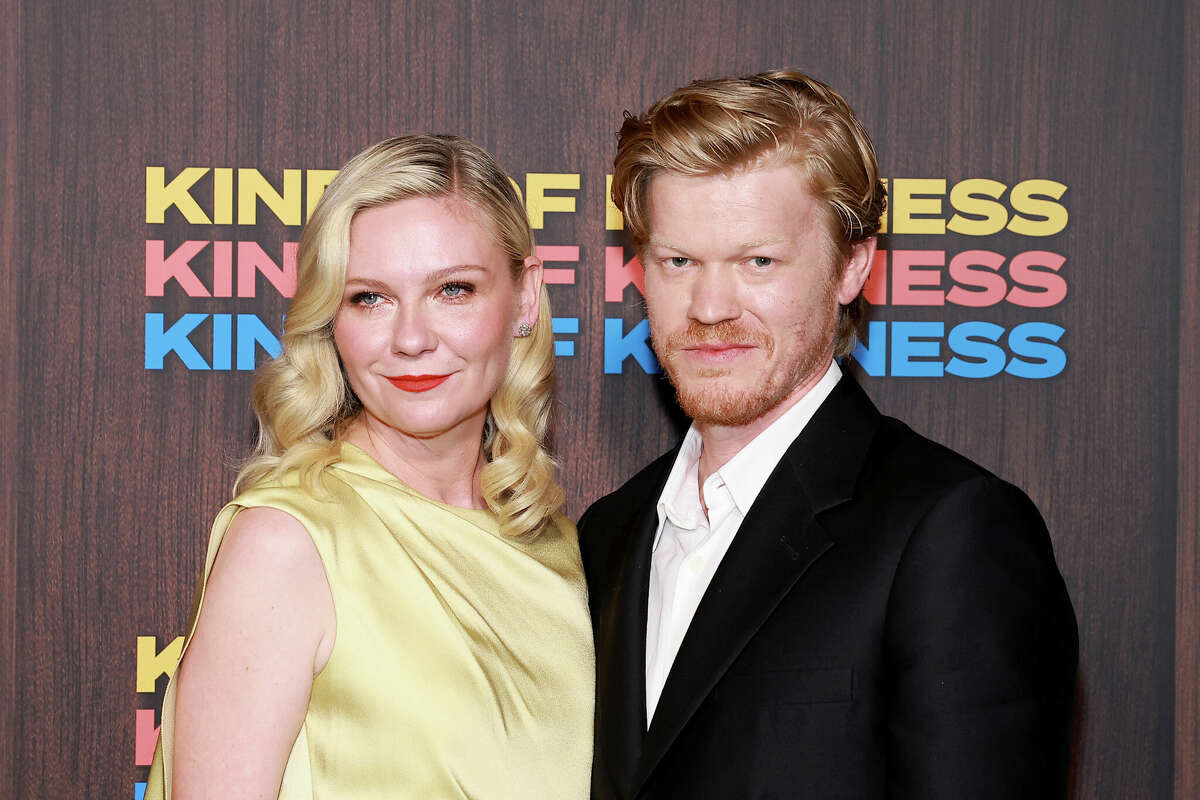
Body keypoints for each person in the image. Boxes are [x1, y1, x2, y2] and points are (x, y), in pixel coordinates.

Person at [578, 70, 1077, 799]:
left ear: (852, 267)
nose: (710, 306)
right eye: (678, 261)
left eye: (758, 262)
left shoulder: (950, 532)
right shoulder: (609, 533)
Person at [145, 134, 594, 800]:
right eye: (370, 298)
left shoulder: (554, 541)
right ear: (332, 318)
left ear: (525, 297)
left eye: (453, 289)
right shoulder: (287, 542)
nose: (411, 338)